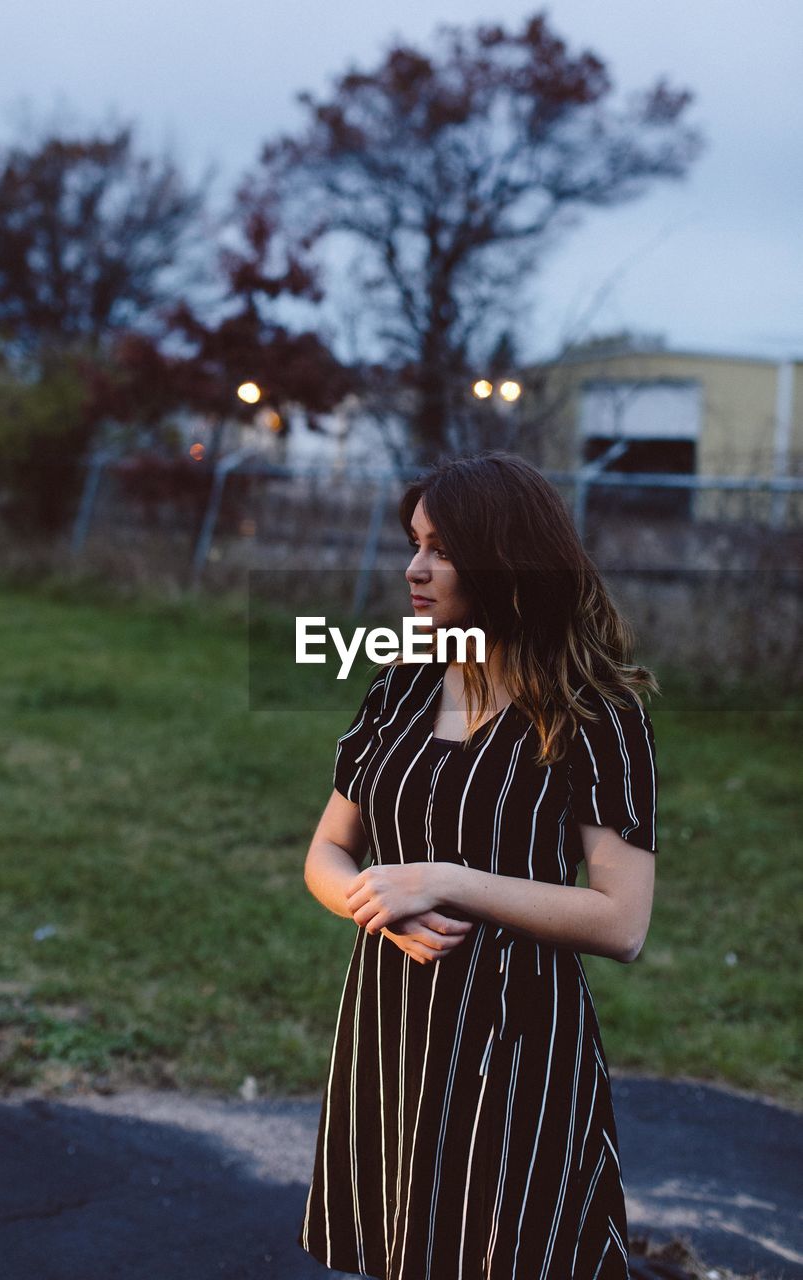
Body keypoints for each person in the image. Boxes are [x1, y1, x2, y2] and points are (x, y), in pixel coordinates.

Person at [297, 450, 658, 1280]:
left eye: (441, 550)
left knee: (509, 1254)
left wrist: (444, 880)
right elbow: (327, 849)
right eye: (414, 543)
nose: (412, 569)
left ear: (503, 563)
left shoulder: (596, 714)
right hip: (390, 1020)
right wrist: (376, 904)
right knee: (405, 1250)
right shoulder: (403, 683)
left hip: (513, 1034)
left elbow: (622, 921)